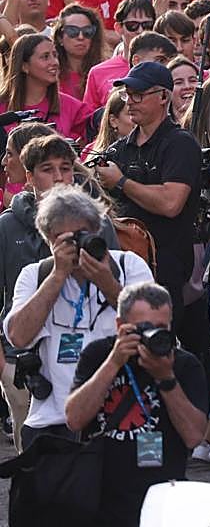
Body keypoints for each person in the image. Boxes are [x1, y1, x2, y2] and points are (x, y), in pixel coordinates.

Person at [3, 186, 153, 447]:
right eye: (65, 239)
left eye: (83, 235)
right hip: (54, 422)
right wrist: (57, 276)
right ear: (49, 240)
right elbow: (18, 337)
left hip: (126, 416)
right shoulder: (35, 275)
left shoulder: (128, 266)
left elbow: (152, 326)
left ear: (97, 231)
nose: (77, 245)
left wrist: (108, 284)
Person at [0, 135, 120, 451]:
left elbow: (123, 284)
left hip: (97, 360)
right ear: (28, 177)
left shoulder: (99, 225)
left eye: (65, 169)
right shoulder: (7, 227)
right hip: (26, 364)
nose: (58, 178)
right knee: (38, 471)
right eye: (47, 169)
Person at [64, 282, 207, 526]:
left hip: (161, 503)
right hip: (101, 500)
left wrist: (166, 378)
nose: (153, 336)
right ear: (121, 325)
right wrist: (113, 363)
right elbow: (74, 419)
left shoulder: (184, 364)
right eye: (144, 328)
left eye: (162, 328)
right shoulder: (98, 354)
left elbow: (194, 436)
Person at [95, 62, 201, 320]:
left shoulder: (180, 144)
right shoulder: (119, 149)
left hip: (165, 271)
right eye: (127, 95)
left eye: (138, 94)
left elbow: (171, 203)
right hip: (122, 268)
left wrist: (121, 182)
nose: (130, 102)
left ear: (164, 96)